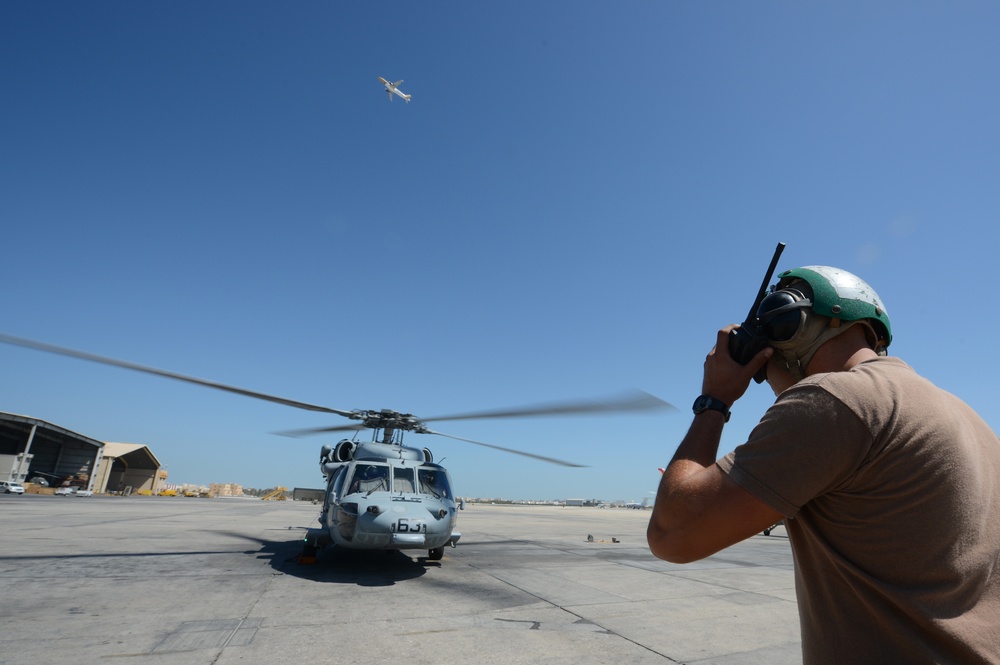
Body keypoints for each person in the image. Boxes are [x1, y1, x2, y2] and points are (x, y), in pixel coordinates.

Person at [647, 265, 1000, 664]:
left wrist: (715, 400)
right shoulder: (966, 419)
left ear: (790, 322)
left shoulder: (836, 401)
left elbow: (672, 535)